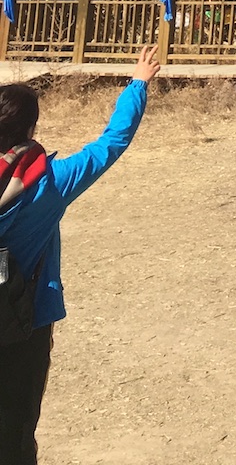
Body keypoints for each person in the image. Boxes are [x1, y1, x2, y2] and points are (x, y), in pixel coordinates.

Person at [0, 44, 159, 464]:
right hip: (26, 321)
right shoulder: (50, 184)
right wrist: (137, 84)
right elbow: (111, 143)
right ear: (30, 129)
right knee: (15, 430)